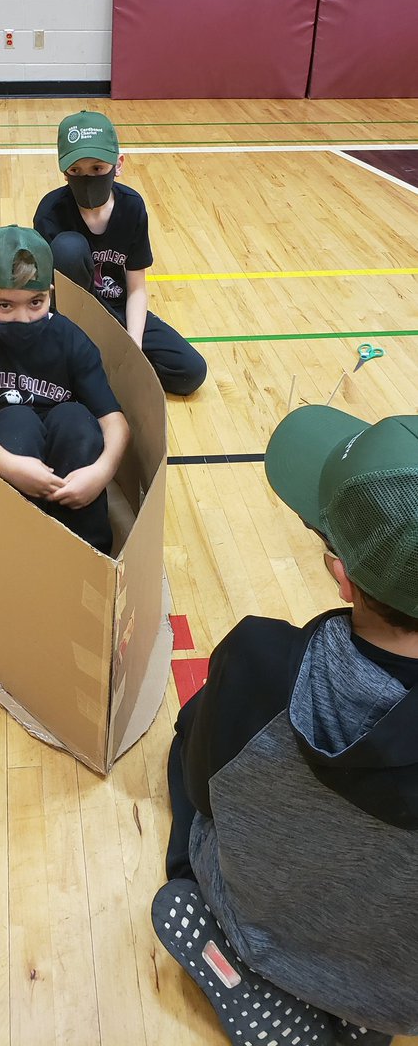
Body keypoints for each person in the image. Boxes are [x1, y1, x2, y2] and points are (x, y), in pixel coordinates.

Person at [153, 404, 418, 1046]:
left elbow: (207, 790)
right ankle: (362, 1010)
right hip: (402, 989)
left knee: (194, 727)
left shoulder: (261, 662)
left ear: (342, 575)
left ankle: (246, 961)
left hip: (266, 925)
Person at [0, 224, 129, 555]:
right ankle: (17, 550)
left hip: (64, 460)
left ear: (50, 294)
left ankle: (87, 555)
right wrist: (9, 465)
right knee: (17, 421)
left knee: (76, 420)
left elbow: (115, 422)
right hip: (1, 448)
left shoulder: (70, 339)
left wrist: (101, 472)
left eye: (36, 303)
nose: (23, 318)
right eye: (5, 305)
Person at [33, 109, 207, 397]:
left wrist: (133, 348)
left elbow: (137, 288)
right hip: (71, 316)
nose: (87, 178)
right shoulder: (51, 212)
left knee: (190, 371)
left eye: (97, 169)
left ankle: (103, 363)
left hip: (118, 309)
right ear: (64, 171)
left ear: (118, 164)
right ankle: (85, 358)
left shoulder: (132, 207)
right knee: (68, 248)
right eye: (76, 171)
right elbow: (44, 289)